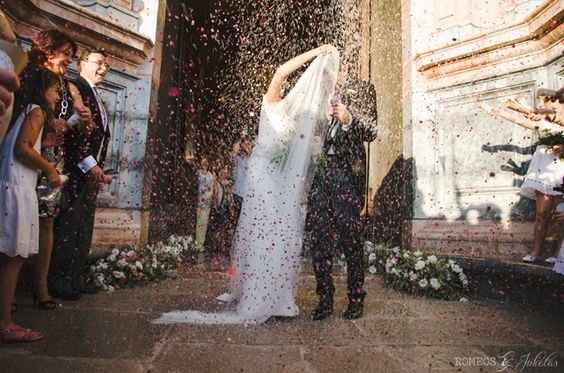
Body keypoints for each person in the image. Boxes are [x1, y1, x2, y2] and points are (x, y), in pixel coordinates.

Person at [154, 44, 340, 324]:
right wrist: (317, 52)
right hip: (263, 176)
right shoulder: (271, 103)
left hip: (280, 181)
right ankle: (258, 294)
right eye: (283, 83)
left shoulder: (293, 118)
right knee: (265, 231)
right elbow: (281, 70)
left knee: (286, 234)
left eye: (289, 85)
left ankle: (279, 297)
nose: (287, 85)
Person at [13, 30, 92, 306]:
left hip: (53, 159)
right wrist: (46, 127)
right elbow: (16, 114)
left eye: (72, 55)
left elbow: (80, 125)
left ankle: (41, 287)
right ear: (48, 51)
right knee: (13, 217)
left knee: (46, 222)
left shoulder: (68, 86)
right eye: (65, 54)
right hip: (25, 154)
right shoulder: (28, 76)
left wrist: (81, 120)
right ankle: (9, 289)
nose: (69, 60)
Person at [306, 80, 378, 320]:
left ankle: (355, 298)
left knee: (351, 239)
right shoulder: (320, 92)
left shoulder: (363, 89)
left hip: (347, 174)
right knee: (319, 238)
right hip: (321, 175)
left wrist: (348, 121)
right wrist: (320, 122)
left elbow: (372, 131)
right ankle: (324, 298)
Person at [0, 69, 62, 343]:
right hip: (17, 185)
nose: (58, 96)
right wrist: (50, 169)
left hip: (10, 182)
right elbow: (22, 148)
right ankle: (5, 323)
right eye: (55, 90)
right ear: (42, 90)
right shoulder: (37, 111)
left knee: (9, 256)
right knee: (14, 257)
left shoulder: (24, 110)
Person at [49, 48, 112, 299]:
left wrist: (99, 168)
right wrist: (89, 164)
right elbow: (73, 138)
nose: (104, 68)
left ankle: (76, 277)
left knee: (83, 225)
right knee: (68, 226)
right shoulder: (75, 88)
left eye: (106, 65)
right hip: (75, 171)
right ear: (82, 63)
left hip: (91, 172)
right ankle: (59, 280)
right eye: (99, 62)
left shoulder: (96, 94)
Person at [483, 88, 564, 264]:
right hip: (544, 166)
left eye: (549, 100)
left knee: (559, 214)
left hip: (560, 167)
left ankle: (556, 254)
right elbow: (529, 118)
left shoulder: (557, 115)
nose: (545, 104)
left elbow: (543, 115)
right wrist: (498, 110)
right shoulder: (544, 116)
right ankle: (536, 251)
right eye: (544, 100)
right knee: (542, 214)